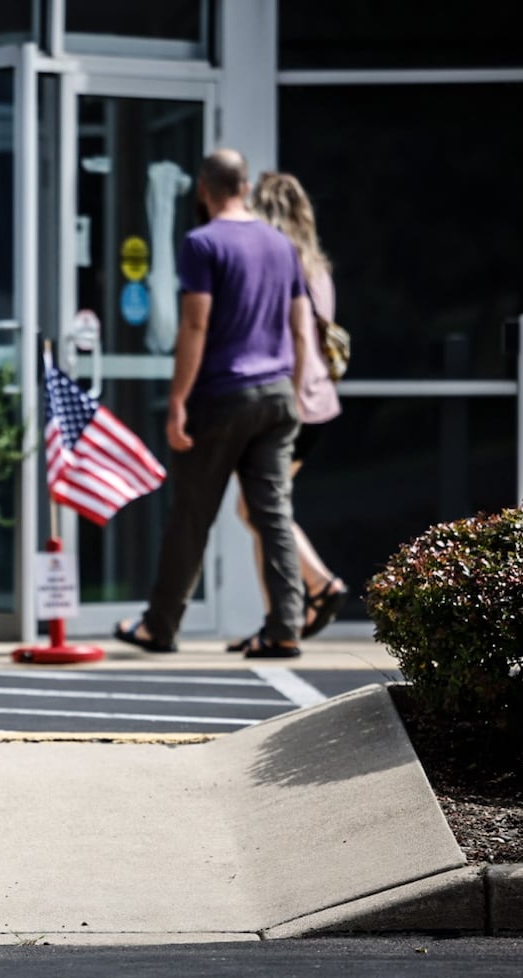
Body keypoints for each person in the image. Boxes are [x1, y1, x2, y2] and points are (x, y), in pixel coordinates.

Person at [114, 148, 313, 658]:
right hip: (275, 396)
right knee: (273, 514)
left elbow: (195, 324)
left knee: (191, 514)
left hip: (222, 396)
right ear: (245, 187)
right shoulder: (280, 244)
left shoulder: (202, 243)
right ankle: (286, 626)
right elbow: (300, 325)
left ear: (203, 190)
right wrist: (297, 388)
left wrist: (177, 399)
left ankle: (159, 626)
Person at [225, 172, 346, 651]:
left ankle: (319, 585)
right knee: (262, 510)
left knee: (258, 508)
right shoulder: (316, 268)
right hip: (317, 403)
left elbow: (292, 340)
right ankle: (279, 621)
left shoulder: (277, 265)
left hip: (289, 404)